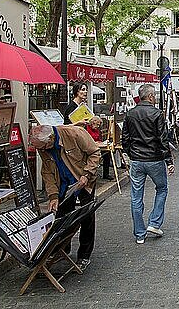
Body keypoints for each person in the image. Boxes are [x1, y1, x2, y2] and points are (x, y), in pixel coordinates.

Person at [29, 124, 101, 271]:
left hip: (83, 180)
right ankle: (63, 249)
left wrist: (86, 174)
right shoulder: (43, 146)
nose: (40, 151)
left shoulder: (74, 133)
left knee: (86, 217)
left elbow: (95, 153)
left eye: (42, 148)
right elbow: (47, 172)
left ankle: (84, 255)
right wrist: (53, 196)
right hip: (63, 185)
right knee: (62, 218)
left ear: (50, 140)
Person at [122, 84, 174, 244]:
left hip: (137, 159)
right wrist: (169, 161)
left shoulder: (130, 114)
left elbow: (125, 138)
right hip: (154, 159)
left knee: (136, 196)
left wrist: (130, 154)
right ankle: (154, 222)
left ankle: (139, 234)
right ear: (151, 97)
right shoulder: (157, 114)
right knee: (162, 188)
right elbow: (162, 139)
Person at [86, 116, 112, 181]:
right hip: (89, 147)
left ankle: (106, 174)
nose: (97, 126)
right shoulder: (86, 128)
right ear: (92, 122)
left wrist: (100, 142)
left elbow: (99, 139)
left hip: (97, 146)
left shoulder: (97, 130)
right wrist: (94, 142)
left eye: (99, 125)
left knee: (107, 154)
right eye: (97, 124)